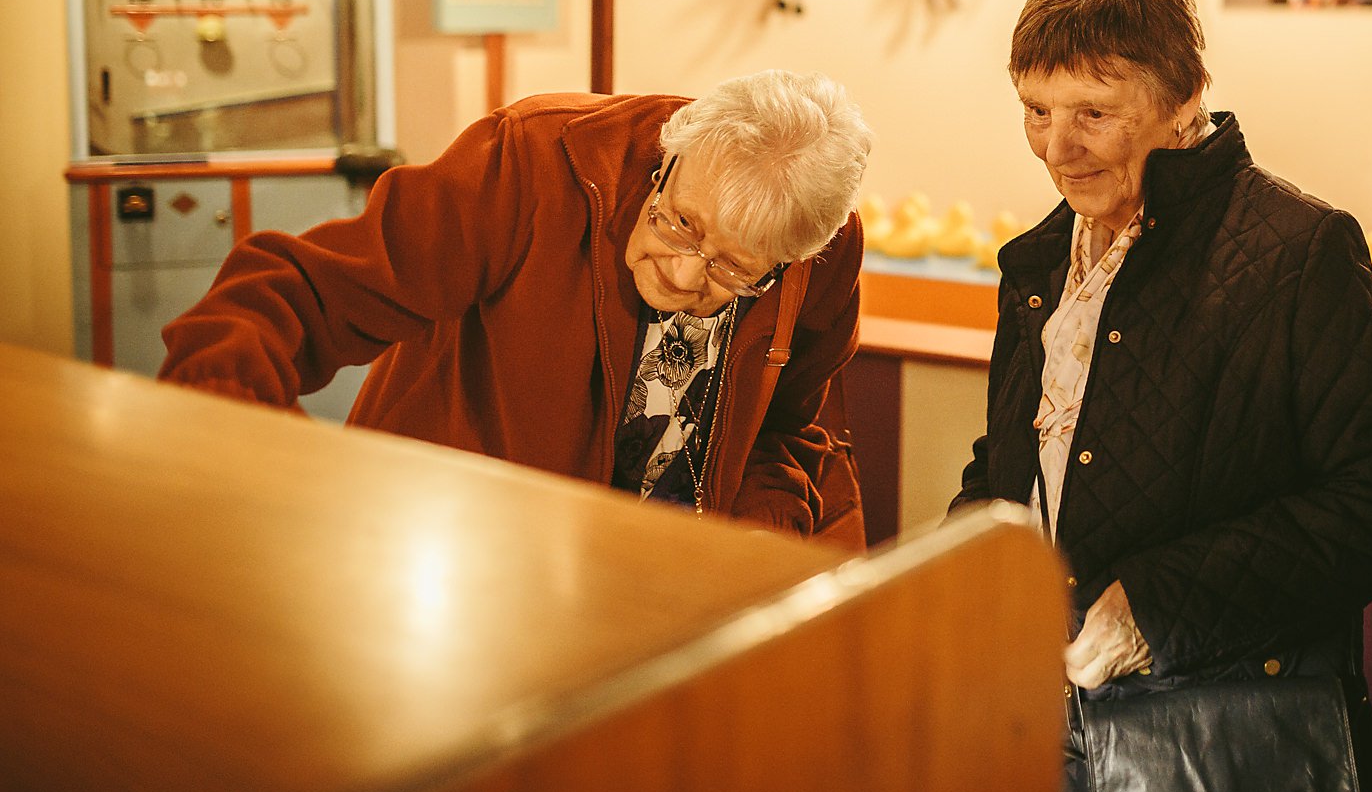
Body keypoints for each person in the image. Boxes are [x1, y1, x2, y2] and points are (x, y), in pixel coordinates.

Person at [955, 0, 1372, 792]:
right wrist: (971, 562)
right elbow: (1015, 456)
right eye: (1035, 110)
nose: (1057, 150)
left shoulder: (1300, 251)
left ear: (1185, 99)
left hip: (1222, 742)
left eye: (1093, 113)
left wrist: (1157, 607)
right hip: (1046, 729)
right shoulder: (1039, 259)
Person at [160, 69, 873, 544]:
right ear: (669, 158)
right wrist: (227, 410)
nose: (685, 272)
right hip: (453, 554)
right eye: (678, 221)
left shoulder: (824, 255)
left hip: (659, 584)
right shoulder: (537, 160)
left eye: (732, 269)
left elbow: (791, 425)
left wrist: (758, 531)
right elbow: (309, 289)